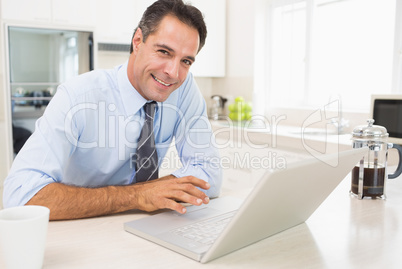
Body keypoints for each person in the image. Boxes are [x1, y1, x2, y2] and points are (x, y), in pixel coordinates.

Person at [3, 0, 222, 220]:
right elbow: (21, 195)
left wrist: (151, 193)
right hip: (80, 228)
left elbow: (209, 172)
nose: (173, 72)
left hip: (146, 225)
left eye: (186, 61)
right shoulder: (78, 97)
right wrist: (136, 196)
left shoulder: (183, 90)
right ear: (138, 41)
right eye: (164, 51)